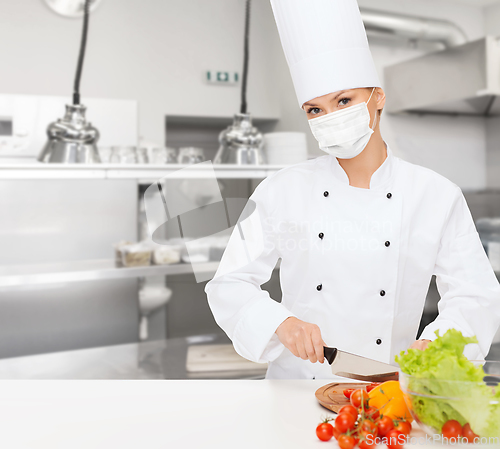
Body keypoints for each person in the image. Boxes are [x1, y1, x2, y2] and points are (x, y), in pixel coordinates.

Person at [204, 0, 500, 379]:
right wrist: (282, 324)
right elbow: (228, 284)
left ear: (378, 98)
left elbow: (475, 294)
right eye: (315, 110)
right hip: (296, 386)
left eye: (344, 101)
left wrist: (438, 342)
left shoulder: (436, 195)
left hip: (388, 389)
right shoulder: (281, 190)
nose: (331, 118)